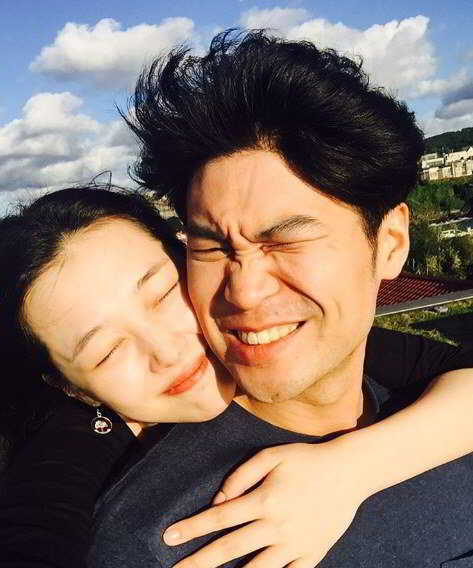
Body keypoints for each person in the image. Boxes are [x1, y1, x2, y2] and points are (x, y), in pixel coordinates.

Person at [89, 30, 473, 567]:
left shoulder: (436, 419)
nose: (244, 291)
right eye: (212, 246)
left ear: (389, 244)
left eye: (286, 240)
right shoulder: (160, 537)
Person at [0, 187, 472, 568]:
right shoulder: (75, 453)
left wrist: (351, 469)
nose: (166, 351)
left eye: (163, 294)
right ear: (70, 387)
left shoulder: (301, 348)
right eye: (108, 351)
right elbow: (36, 533)